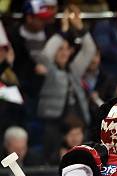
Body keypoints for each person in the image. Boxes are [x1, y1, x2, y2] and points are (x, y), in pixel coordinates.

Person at [37, 4, 96, 163]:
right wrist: (62, 32)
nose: (63, 52)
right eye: (60, 49)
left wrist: (81, 28)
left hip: (79, 121)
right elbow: (47, 53)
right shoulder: (48, 69)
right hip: (54, 124)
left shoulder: (74, 69)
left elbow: (89, 51)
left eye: (67, 49)